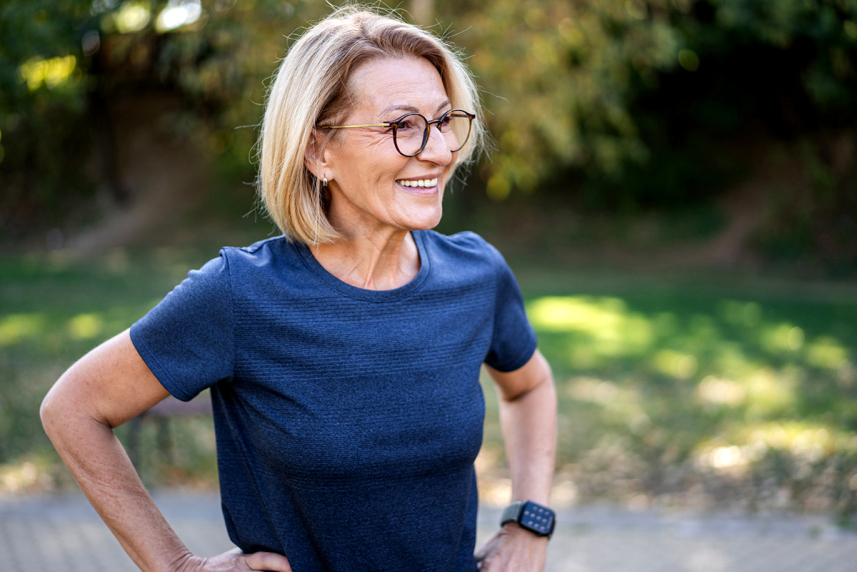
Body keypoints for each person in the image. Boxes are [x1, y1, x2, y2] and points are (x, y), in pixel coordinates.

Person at [40, 7, 557, 572]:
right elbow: (74, 408)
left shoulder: (476, 276)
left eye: (443, 120)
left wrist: (530, 520)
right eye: (402, 126)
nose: (438, 150)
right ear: (318, 151)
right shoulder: (239, 295)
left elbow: (530, 388)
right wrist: (178, 565)